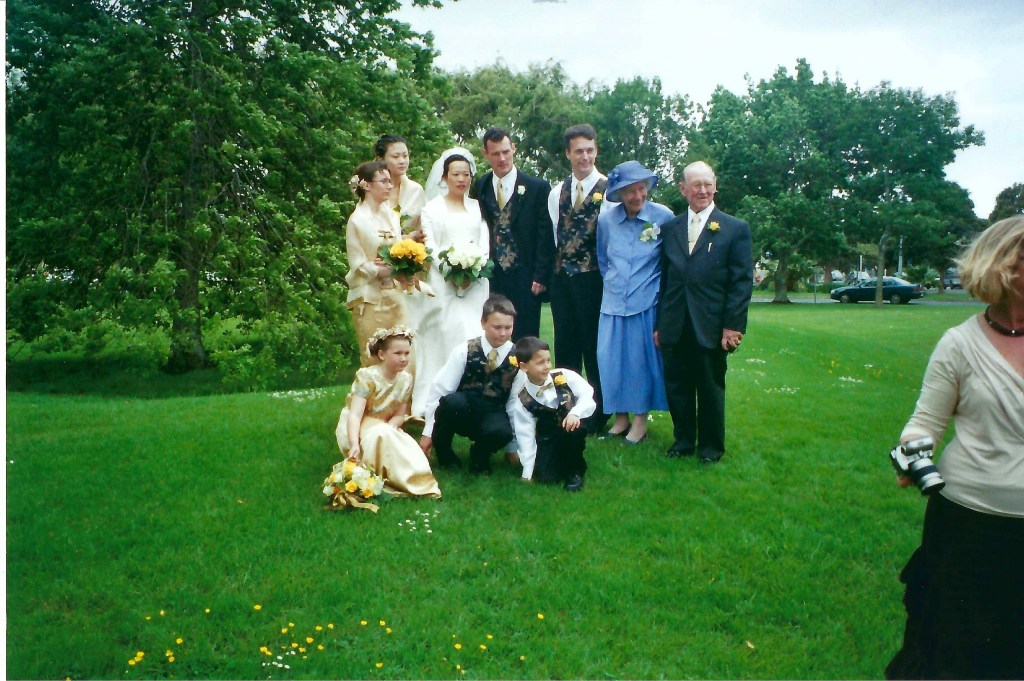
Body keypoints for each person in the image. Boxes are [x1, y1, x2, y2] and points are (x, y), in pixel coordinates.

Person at [885, 217, 1024, 681]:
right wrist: (913, 455)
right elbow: (925, 422)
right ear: (1002, 266)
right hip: (967, 524)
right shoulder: (960, 344)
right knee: (955, 653)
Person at [655, 161, 752, 464]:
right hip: (674, 322)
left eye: (707, 184)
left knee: (710, 389)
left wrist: (733, 325)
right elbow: (665, 279)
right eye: (696, 184)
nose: (702, 190)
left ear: (715, 186)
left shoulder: (735, 229)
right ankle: (683, 441)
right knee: (677, 387)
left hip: (710, 324)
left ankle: (711, 448)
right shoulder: (670, 229)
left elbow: (741, 282)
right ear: (683, 189)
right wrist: (660, 324)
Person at [596, 161, 673, 444]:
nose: (637, 195)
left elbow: (669, 263)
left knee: (639, 364)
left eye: (642, 188)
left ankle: (640, 422)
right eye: (630, 191)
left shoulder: (663, 217)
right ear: (619, 193)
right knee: (611, 362)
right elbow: (603, 260)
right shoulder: (606, 221)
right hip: (612, 304)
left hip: (645, 303)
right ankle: (620, 419)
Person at [411, 150, 491, 417]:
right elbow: (431, 246)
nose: (461, 179)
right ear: (444, 178)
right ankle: (437, 400)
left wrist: (473, 270)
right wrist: (451, 271)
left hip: (475, 284)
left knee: (474, 335)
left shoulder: (478, 207)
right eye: (456, 174)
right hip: (443, 281)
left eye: (466, 174)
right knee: (444, 336)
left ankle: (475, 398)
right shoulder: (432, 209)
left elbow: (484, 242)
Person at [547, 124, 612, 434]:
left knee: (594, 347)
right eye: (578, 151)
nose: (584, 156)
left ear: (595, 151)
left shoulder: (610, 190)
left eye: (589, 150)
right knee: (565, 346)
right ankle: (567, 407)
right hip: (563, 281)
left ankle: (599, 413)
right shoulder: (556, 192)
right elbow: (555, 235)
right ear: (568, 154)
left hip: (594, 280)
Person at [333, 326, 441, 498]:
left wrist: (391, 430)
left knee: (405, 446)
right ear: (382, 354)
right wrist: (354, 443)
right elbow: (355, 414)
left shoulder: (405, 379)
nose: (404, 358)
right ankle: (383, 476)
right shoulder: (367, 377)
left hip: (385, 425)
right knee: (381, 435)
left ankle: (417, 481)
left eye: (407, 353)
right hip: (361, 422)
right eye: (398, 353)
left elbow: (399, 415)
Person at [419, 295, 518, 475]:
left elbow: (514, 403)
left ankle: (480, 457)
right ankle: (445, 454)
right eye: (497, 327)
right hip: (464, 409)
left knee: (501, 432)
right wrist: (428, 432)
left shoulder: (517, 359)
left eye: (508, 327)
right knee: (449, 403)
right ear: (483, 323)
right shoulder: (465, 350)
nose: (503, 333)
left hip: (493, 412)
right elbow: (440, 389)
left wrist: (513, 448)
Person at [474, 127, 554, 340]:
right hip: (492, 278)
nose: (502, 158)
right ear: (485, 154)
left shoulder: (538, 188)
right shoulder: (480, 187)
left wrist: (540, 275)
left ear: (514, 149)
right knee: (493, 336)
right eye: (495, 154)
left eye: (506, 151)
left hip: (526, 278)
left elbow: (545, 235)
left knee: (526, 339)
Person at [344, 160, 412, 368]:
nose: (390, 186)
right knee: (374, 355)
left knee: (405, 354)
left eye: (390, 181)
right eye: (384, 181)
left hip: (395, 294)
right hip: (370, 298)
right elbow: (357, 261)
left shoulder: (391, 216)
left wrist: (404, 265)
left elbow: (399, 249)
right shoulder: (357, 220)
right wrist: (377, 270)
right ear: (367, 185)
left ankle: (405, 390)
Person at [506, 336, 594, 492]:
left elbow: (588, 394)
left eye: (548, 360)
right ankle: (558, 459)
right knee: (546, 477)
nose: (547, 366)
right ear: (524, 367)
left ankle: (575, 472)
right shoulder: (522, 399)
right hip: (548, 436)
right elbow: (525, 435)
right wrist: (527, 473)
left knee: (574, 430)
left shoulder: (564, 376)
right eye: (540, 363)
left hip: (572, 425)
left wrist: (575, 413)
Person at [374, 134, 426, 233]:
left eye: (405, 156)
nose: (402, 161)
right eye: (396, 157)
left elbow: (423, 228)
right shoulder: (372, 190)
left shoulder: (416, 190)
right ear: (381, 160)